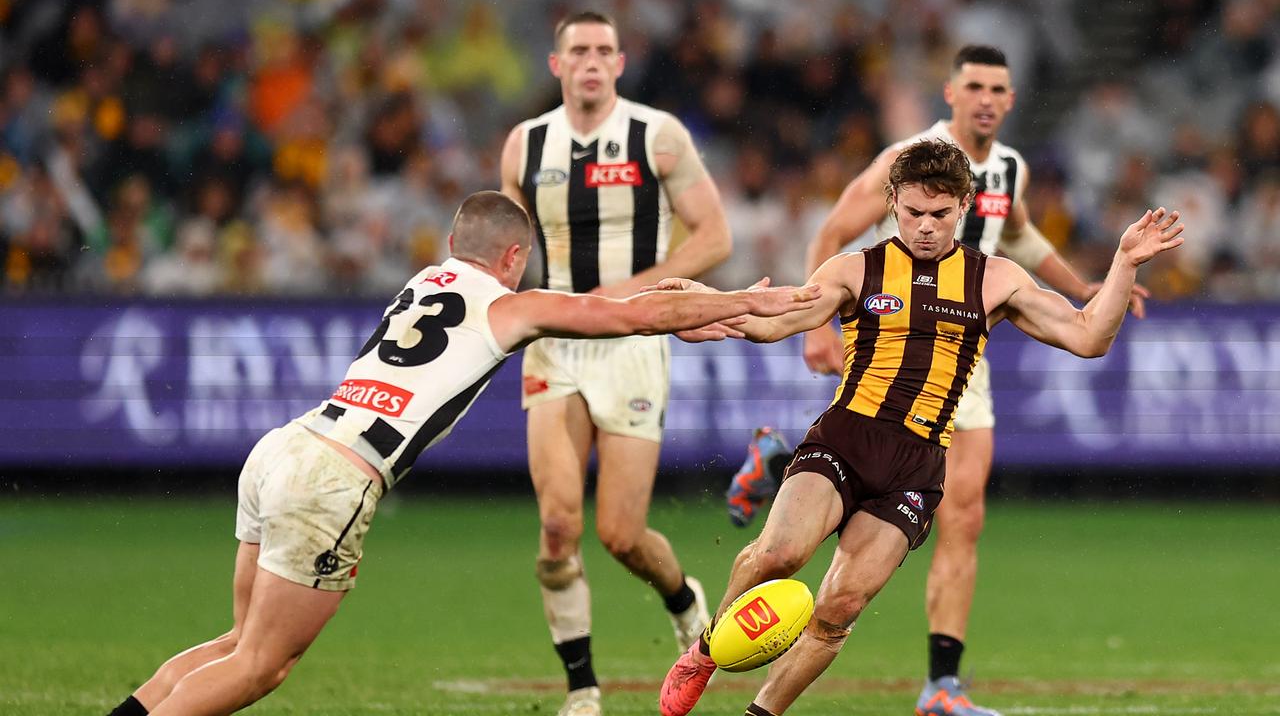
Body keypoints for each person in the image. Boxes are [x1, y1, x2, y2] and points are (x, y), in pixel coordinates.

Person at [102, 191, 819, 716]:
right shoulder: (504, 303)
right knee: (261, 665)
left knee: (237, 641)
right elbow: (632, 314)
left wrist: (669, 316)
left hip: (286, 447)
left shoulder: (425, 282)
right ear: (513, 256)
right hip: (334, 481)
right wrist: (741, 305)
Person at [656, 139, 1184, 716]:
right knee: (779, 554)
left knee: (840, 609)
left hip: (918, 464)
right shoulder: (857, 268)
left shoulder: (994, 279)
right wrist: (708, 303)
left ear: (964, 207)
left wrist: (1124, 264)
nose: (925, 227)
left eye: (938, 214)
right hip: (847, 438)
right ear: (892, 205)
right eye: (912, 213)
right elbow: (775, 320)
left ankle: (760, 714)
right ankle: (704, 654)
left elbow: (1089, 337)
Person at [498, 11, 732, 716]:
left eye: (604, 50)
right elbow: (507, 253)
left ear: (621, 64)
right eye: (580, 51)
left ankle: (681, 596)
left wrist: (629, 294)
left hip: (632, 345)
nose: (592, 61)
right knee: (558, 526)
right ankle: (582, 690)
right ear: (557, 64)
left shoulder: (656, 135)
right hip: (557, 341)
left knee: (620, 534)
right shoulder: (525, 145)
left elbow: (714, 237)